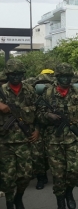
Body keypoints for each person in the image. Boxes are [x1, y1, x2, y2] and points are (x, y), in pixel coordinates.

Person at [37, 62, 78, 209]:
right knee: (58, 174)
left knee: (75, 170)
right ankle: (60, 200)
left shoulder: (76, 93)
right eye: (62, 77)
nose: (66, 80)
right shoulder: (48, 93)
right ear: (57, 77)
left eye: (68, 77)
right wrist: (49, 116)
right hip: (54, 140)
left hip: (73, 138)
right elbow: (39, 115)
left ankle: (69, 192)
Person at [0, 59, 38, 209]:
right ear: (7, 74)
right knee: (7, 177)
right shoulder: (1, 90)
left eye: (19, 74)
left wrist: (37, 130)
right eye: (13, 74)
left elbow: (39, 112)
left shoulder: (29, 90)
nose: (16, 76)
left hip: (24, 139)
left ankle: (18, 197)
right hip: (4, 141)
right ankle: (9, 202)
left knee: (26, 175)